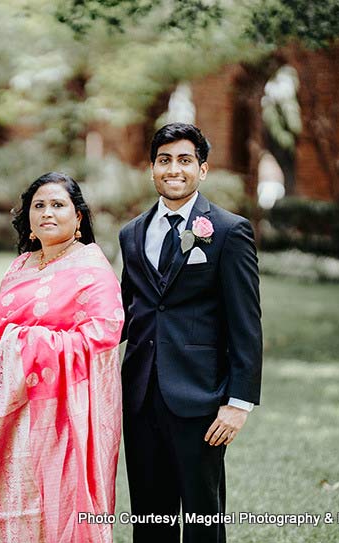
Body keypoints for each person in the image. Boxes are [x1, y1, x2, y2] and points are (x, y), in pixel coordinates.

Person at [118, 122, 262, 543]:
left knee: (203, 520)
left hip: (200, 398)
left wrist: (238, 403)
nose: (173, 169)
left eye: (184, 160)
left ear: (202, 169)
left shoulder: (229, 231)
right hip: (141, 396)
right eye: (164, 160)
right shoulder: (132, 234)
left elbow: (246, 323)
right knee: (150, 519)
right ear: (151, 169)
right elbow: (129, 311)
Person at [0, 172, 124, 543]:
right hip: (15, 406)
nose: (47, 212)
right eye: (38, 205)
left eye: (58, 205)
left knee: (61, 499)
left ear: (78, 218)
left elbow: (105, 331)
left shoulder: (92, 267)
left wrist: (31, 343)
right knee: (17, 499)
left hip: (67, 409)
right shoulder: (19, 266)